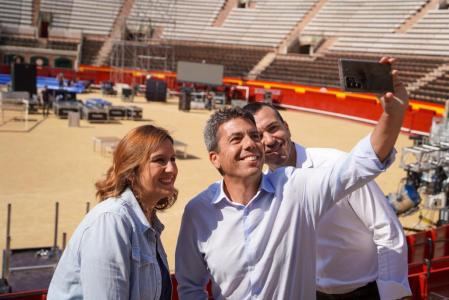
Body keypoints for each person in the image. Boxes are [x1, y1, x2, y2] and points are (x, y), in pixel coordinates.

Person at [175, 57, 408, 299]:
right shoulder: (200, 210)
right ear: (215, 158)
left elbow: (363, 164)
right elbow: (191, 284)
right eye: (237, 139)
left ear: (287, 127)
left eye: (258, 134)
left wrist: (392, 113)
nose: (260, 142)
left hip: (361, 291)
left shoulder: (296, 185)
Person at [243, 101, 412, 300]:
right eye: (259, 136)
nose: (270, 140)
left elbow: (386, 228)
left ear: (286, 128)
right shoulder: (261, 188)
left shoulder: (336, 164)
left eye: (273, 128)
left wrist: (392, 294)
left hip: (366, 291)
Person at [48, 125, 178, 300]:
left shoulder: (147, 221)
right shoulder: (111, 222)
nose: (171, 169)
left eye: (173, 159)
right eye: (160, 160)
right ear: (132, 171)